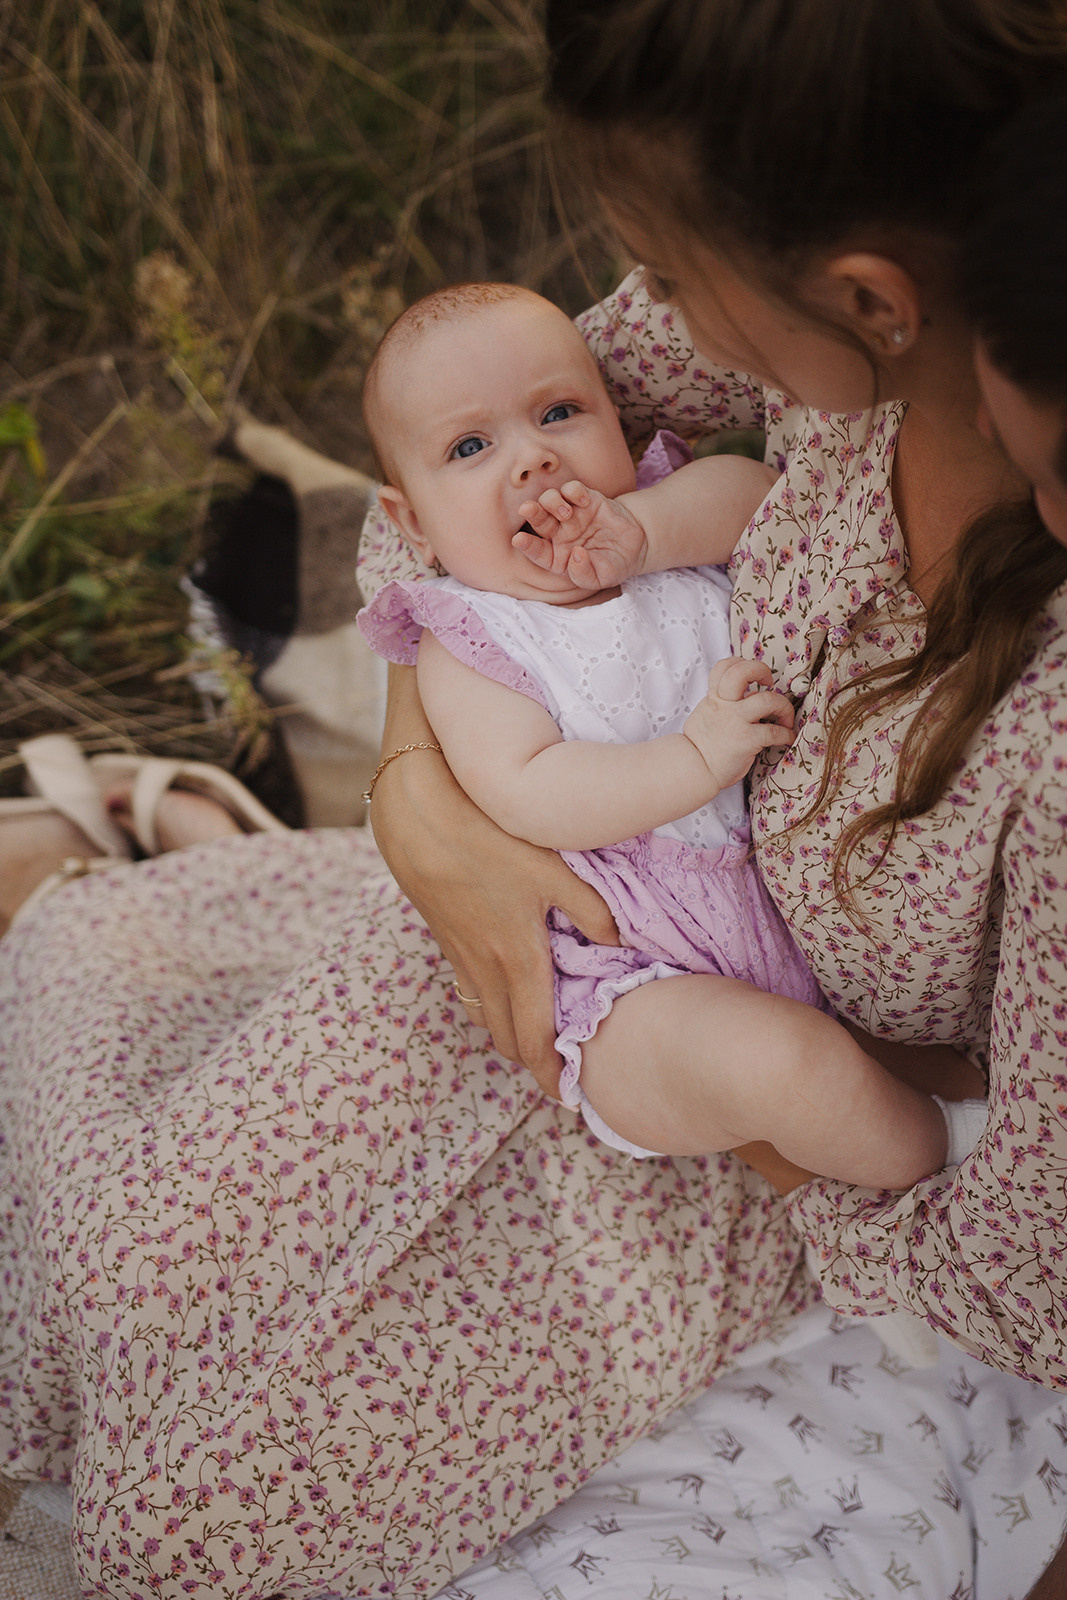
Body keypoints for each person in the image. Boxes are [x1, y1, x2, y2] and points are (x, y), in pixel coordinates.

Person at [2, 3, 1067, 1598]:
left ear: (867, 300)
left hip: (765, 1142)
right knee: (139, 1258)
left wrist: (785, 1150)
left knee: (205, 1510)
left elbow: (1011, 1263)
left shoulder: (1040, 738)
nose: (648, 316)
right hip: (544, 935)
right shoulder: (812, 346)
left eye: (659, 258)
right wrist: (425, 794)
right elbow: (439, 474)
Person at [358, 280, 959, 1186]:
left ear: (618, 419)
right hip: (632, 971)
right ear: (412, 520)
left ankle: (955, 1148)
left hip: (798, 916)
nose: (531, 460)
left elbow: (767, 501)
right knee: (792, 1073)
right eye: (471, 446)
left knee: (881, 1059)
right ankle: (960, 1158)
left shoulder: (660, 512)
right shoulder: (471, 633)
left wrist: (640, 533)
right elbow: (530, 787)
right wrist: (691, 759)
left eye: (560, 413)